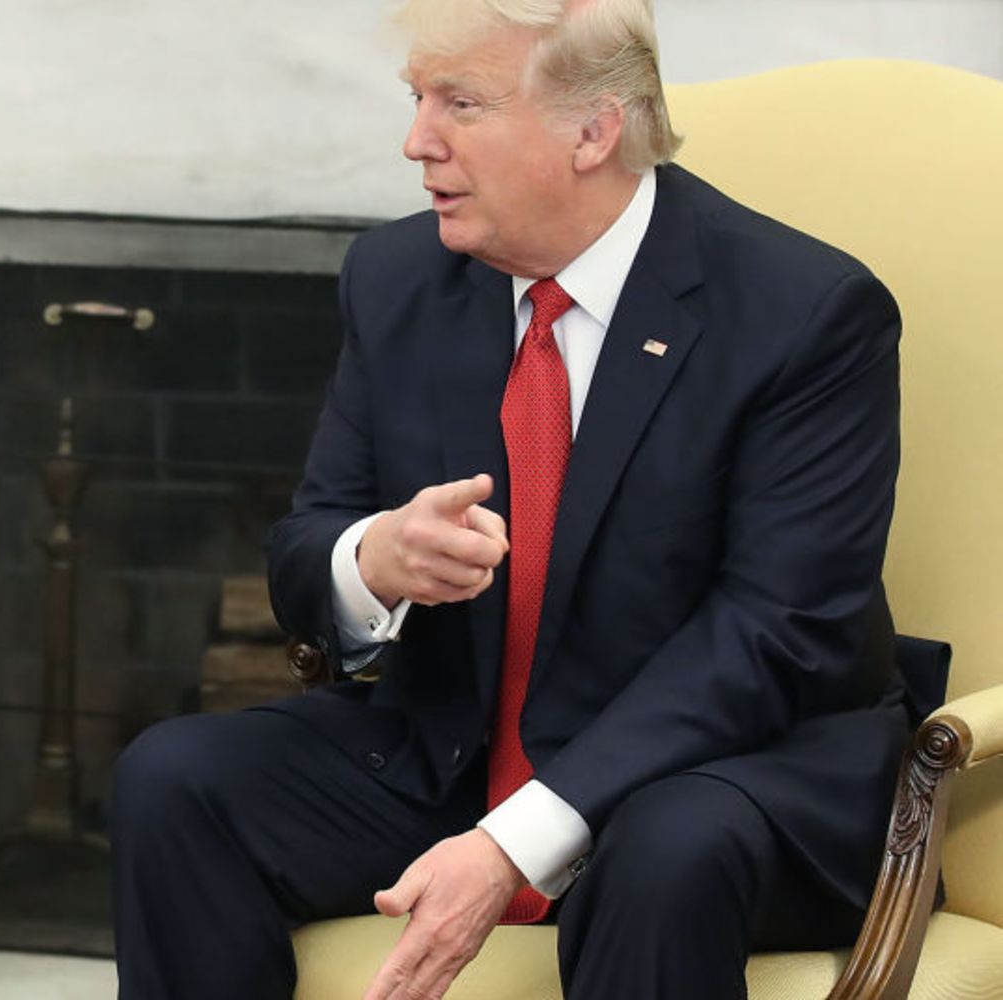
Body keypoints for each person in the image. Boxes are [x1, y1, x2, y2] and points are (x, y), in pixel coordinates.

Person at [110, 1, 913, 997]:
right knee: (175, 778)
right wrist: (371, 561)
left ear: (592, 130)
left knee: (663, 850)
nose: (415, 141)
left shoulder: (803, 313)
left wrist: (513, 840)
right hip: (457, 748)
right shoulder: (395, 276)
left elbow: (776, 633)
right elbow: (306, 540)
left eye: (460, 103)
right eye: (415, 98)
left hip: (722, 766)